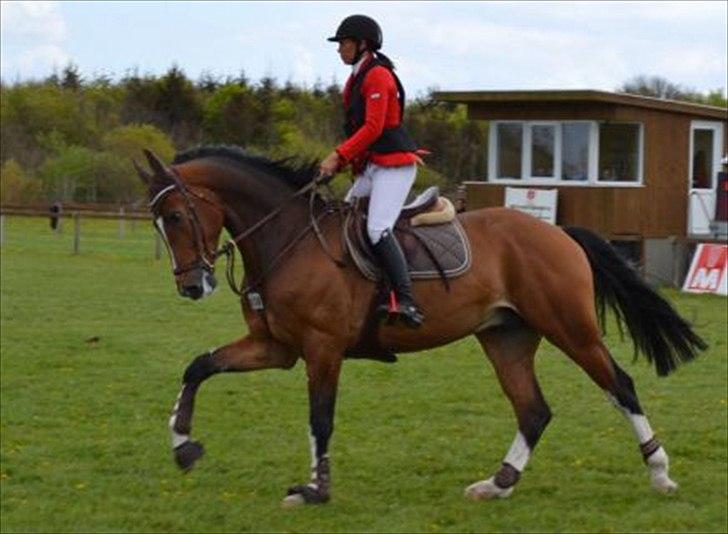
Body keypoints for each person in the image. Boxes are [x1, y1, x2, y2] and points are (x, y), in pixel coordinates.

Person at [319, 14, 424, 329]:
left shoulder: (378, 75)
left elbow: (374, 127)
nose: (339, 50)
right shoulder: (355, 78)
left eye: (344, 44)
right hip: (374, 166)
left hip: (395, 165)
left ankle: (406, 298)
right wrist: (341, 164)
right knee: (345, 215)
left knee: (377, 229)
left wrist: (337, 156)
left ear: (362, 44)